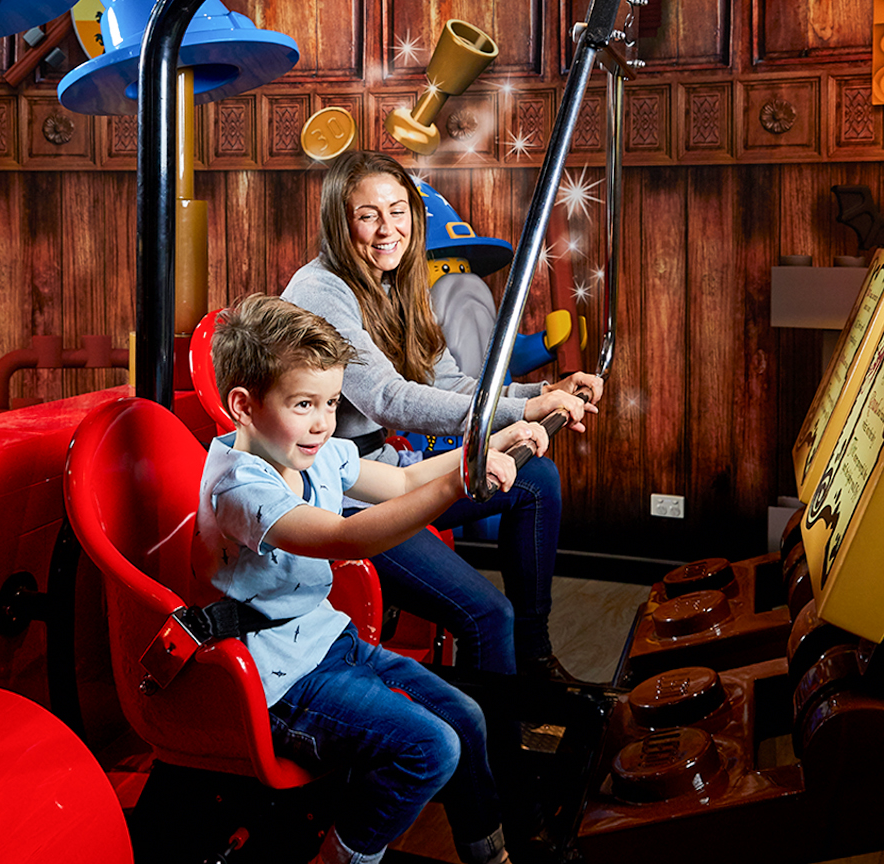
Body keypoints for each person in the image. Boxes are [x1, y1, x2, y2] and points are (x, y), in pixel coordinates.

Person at [198, 293, 550, 864]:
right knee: (430, 748)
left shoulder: (311, 451)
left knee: (466, 715)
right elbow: (347, 538)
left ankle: (488, 852)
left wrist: (486, 447)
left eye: (331, 403)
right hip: (279, 684)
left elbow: (406, 482)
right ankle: (342, 856)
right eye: (303, 404)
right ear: (243, 405)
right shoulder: (240, 488)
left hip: (330, 645)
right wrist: (461, 485)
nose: (321, 423)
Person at [282, 150, 604, 682]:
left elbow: (451, 383)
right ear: (341, 224)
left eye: (398, 210)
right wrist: (524, 409)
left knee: (536, 478)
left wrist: (544, 389)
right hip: (339, 495)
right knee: (485, 616)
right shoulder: (321, 292)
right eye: (368, 215)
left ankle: (535, 658)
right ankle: (487, 756)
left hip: (384, 469)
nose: (388, 229)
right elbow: (388, 398)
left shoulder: (398, 283)